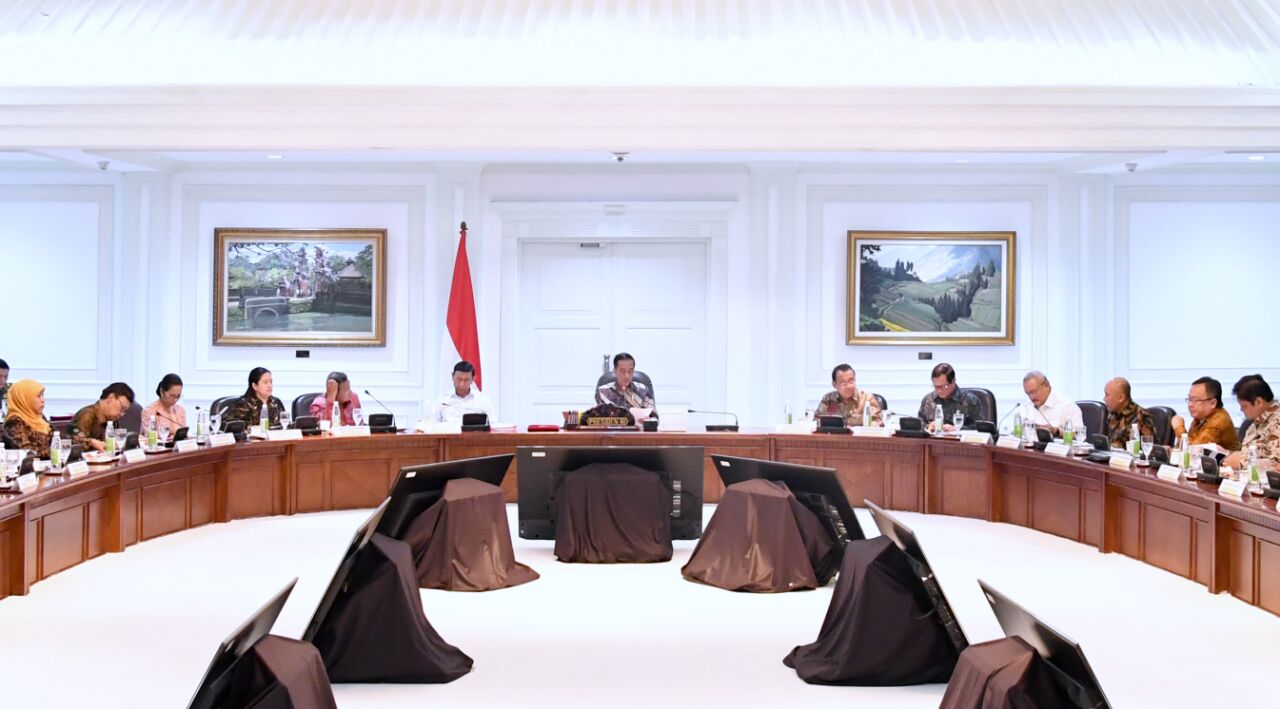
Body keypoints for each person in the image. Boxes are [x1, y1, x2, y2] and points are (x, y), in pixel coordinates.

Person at [1224, 374, 1279, 471]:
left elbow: (1276, 466)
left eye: (1244, 406)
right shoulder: (1253, 423)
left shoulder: (1277, 422)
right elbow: (1245, 454)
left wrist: (1243, 463)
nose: (1241, 410)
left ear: (1259, 402)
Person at [1171, 376, 1240, 451]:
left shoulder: (1218, 420)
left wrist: (1179, 428)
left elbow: (1193, 453)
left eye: (1196, 400)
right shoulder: (1200, 417)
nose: (1190, 404)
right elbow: (1190, 444)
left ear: (1213, 403)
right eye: (1190, 399)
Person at [70, 382, 135, 451]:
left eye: (125, 411)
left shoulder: (113, 419)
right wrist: (91, 442)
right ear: (111, 398)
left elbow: (117, 443)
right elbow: (73, 441)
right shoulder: (87, 414)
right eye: (122, 408)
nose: (122, 414)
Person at [916, 363, 981, 431]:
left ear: (953, 381)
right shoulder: (928, 399)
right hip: (933, 440)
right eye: (936, 386)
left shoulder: (970, 400)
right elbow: (919, 424)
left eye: (944, 386)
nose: (939, 390)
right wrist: (928, 426)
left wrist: (958, 429)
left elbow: (980, 427)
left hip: (958, 440)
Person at [1018, 371, 1083, 437]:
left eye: (1034, 392)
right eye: (1028, 394)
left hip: (1056, 447)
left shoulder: (1067, 406)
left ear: (1046, 385)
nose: (1031, 397)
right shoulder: (1026, 406)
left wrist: (1057, 432)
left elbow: (1078, 435)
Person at [818, 364, 884, 427]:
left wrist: (874, 424)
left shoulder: (867, 398)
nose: (848, 386)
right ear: (834, 385)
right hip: (835, 437)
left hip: (859, 438)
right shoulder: (828, 399)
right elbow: (817, 420)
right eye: (843, 383)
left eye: (851, 382)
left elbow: (878, 421)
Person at [3, 379, 52, 458]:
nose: (43, 400)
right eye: (38, 396)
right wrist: (55, 452)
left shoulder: (40, 418)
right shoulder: (14, 423)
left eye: (43, 395)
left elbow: (59, 442)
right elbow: (27, 453)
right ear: (24, 399)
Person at [1103, 377, 1154, 449]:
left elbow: (1150, 450)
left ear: (1121, 397)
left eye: (1107, 395)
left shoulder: (1142, 416)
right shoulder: (1112, 414)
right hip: (1112, 457)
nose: (1104, 399)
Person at [141, 374, 186, 440]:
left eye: (178, 396)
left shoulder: (180, 410)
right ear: (162, 392)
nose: (175, 399)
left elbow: (183, 433)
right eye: (172, 396)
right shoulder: (149, 411)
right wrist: (172, 431)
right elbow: (149, 435)